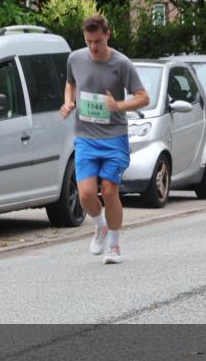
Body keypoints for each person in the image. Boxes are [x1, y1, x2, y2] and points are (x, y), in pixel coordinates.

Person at [60, 14, 149, 264]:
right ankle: (101, 225)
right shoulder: (75, 58)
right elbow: (70, 83)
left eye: (97, 41)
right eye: (88, 41)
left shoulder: (121, 63)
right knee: (85, 195)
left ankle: (115, 246)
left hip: (114, 137)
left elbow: (143, 97)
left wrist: (118, 105)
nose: (93, 47)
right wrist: (68, 102)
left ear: (107, 35)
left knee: (110, 191)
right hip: (85, 137)